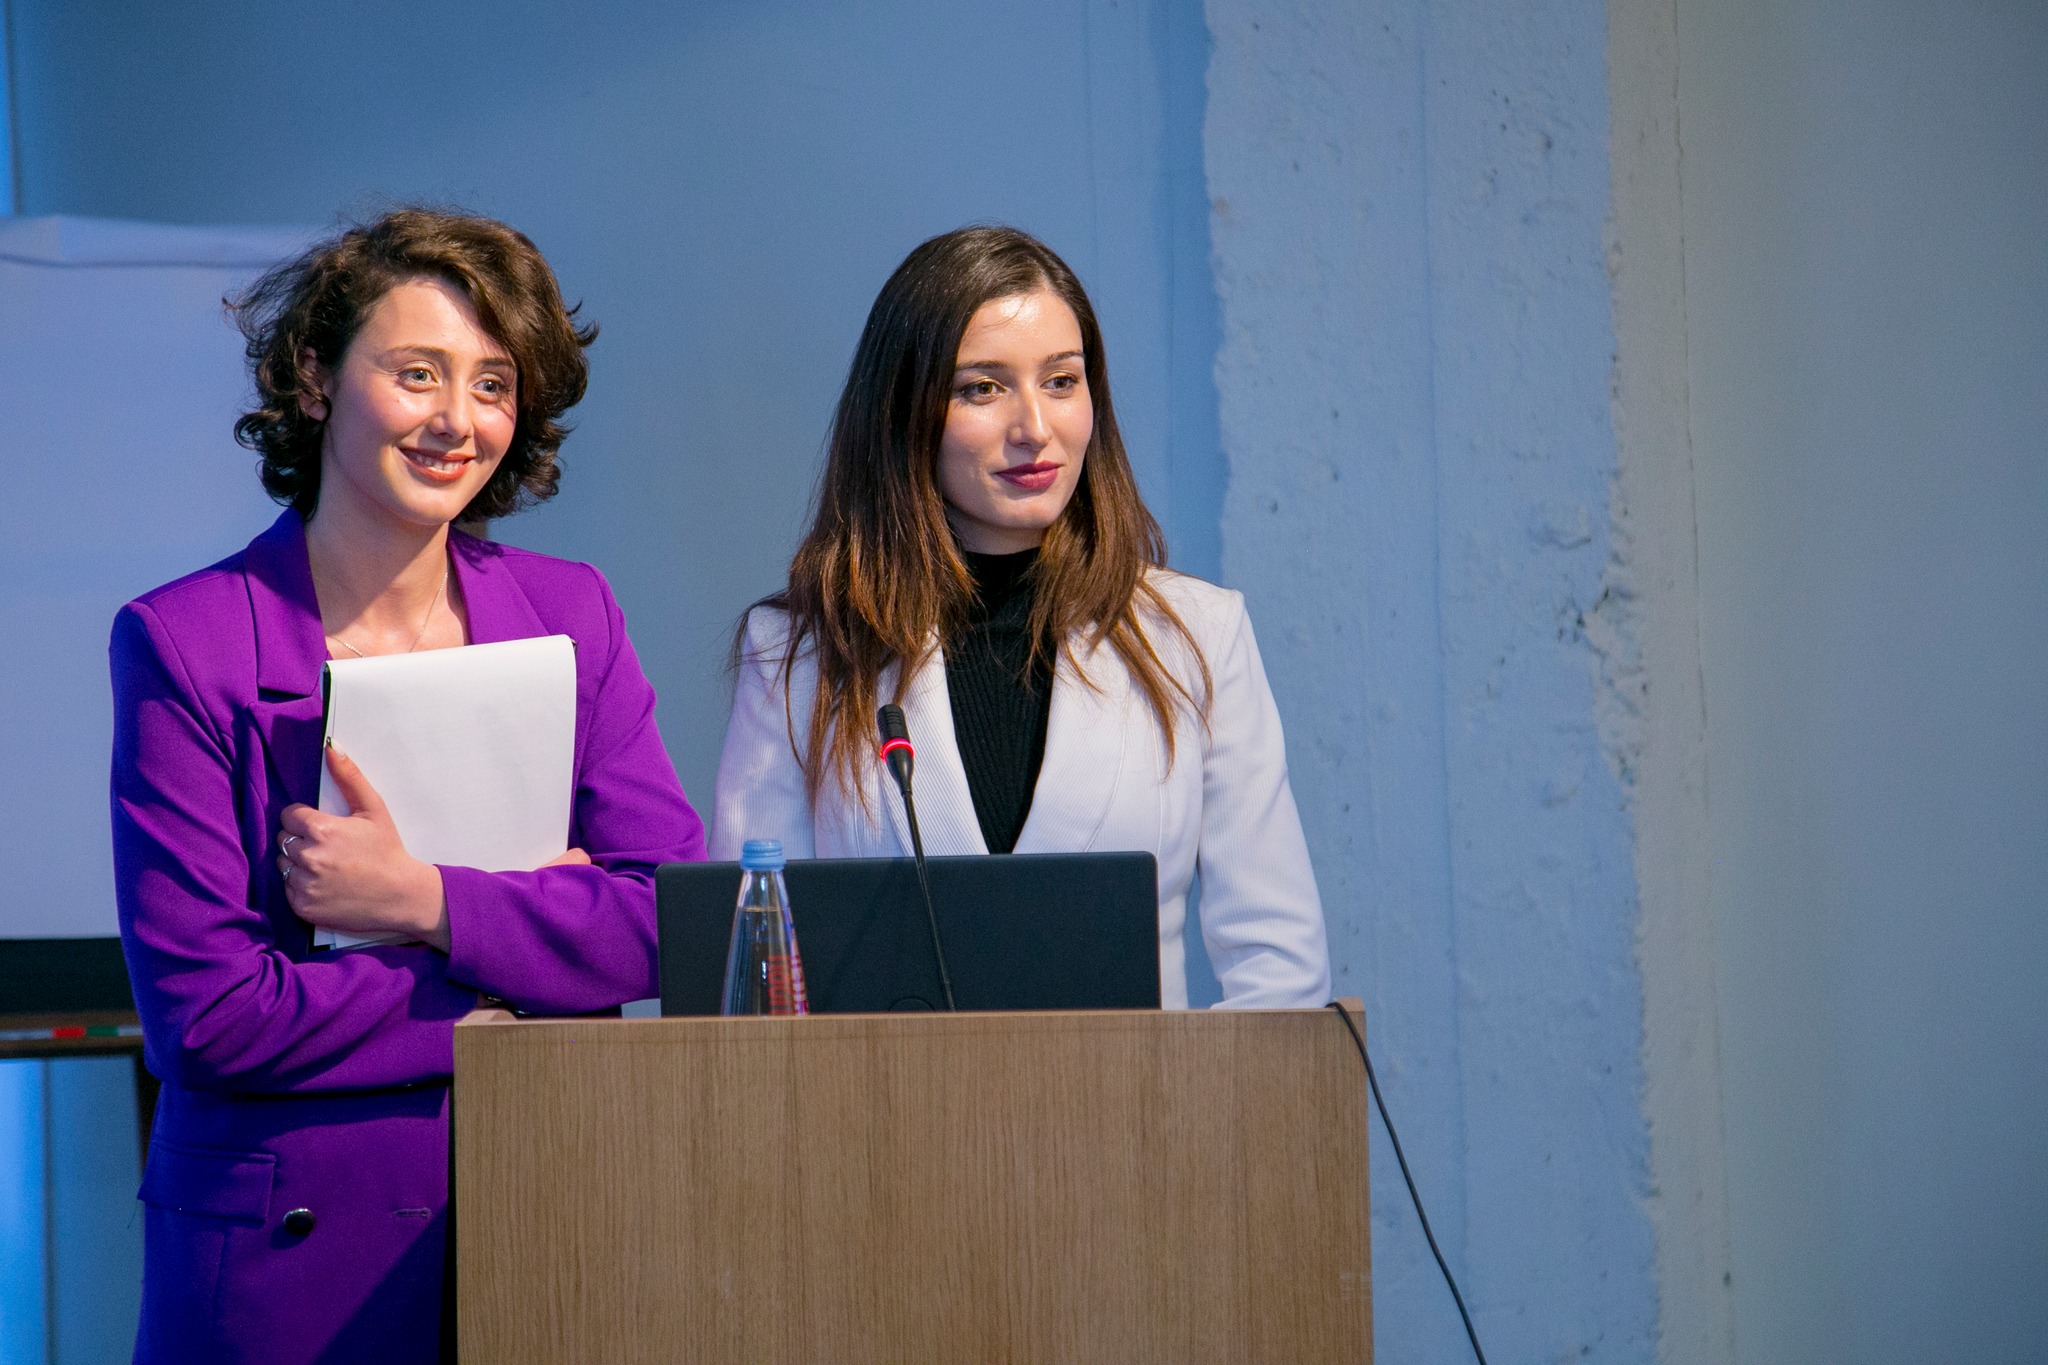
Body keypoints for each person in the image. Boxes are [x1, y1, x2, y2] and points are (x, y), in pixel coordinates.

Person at [110, 209, 705, 1364]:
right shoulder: (186, 642)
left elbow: (669, 917)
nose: (457, 420)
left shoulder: (571, 611)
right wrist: (507, 986)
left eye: (493, 384)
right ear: (315, 379)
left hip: (554, 1222)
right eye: (416, 372)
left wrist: (424, 901)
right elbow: (209, 1019)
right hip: (288, 1268)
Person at [712, 226, 1327, 1008]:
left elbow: (1281, 971)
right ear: (903, 411)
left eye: (1062, 381)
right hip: (885, 1091)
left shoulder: (1197, 635)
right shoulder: (800, 654)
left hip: (1137, 1090)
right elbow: (756, 992)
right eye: (983, 388)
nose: (1035, 426)